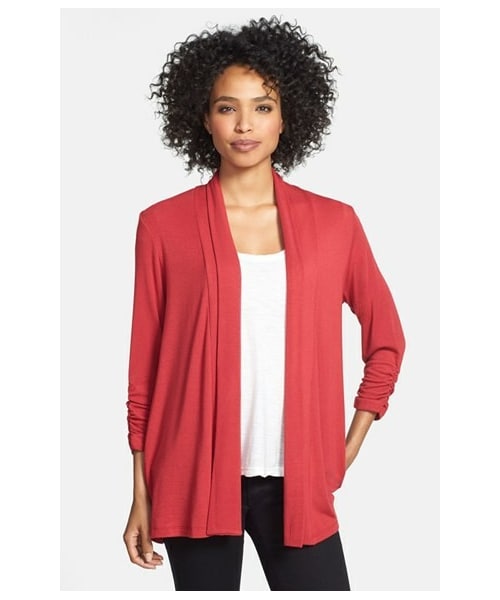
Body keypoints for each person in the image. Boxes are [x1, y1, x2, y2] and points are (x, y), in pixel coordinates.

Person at [122, 15, 405, 591]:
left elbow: (387, 342)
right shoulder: (162, 226)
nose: (244, 124)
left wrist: (342, 451)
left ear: (286, 117)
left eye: (263, 107)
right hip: (191, 480)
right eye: (227, 107)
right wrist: (140, 494)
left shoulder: (335, 224)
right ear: (203, 118)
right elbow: (144, 372)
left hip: (297, 485)